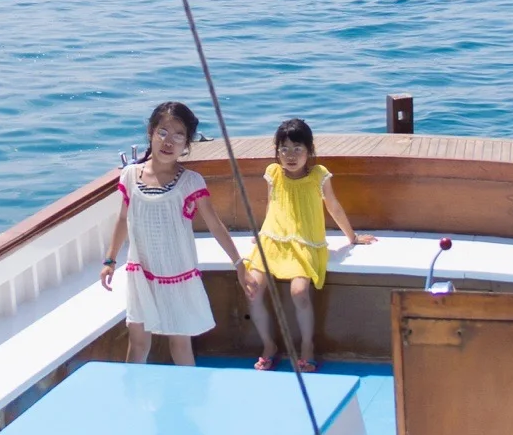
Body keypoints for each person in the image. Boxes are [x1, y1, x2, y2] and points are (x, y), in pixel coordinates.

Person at [100, 100, 247, 365]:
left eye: (179, 136)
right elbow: (123, 218)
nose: (169, 142)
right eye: (163, 132)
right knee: (138, 342)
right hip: (140, 271)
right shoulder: (130, 176)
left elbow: (215, 224)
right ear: (151, 133)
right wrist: (110, 260)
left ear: (187, 143)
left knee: (180, 344)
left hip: (177, 273)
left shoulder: (190, 181)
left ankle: (189, 391)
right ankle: (134, 390)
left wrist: (239, 263)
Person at [242, 118, 375, 372]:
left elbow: (333, 207)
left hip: (305, 242)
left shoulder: (319, 175)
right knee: (253, 289)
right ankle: (269, 345)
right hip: (272, 240)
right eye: (284, 149)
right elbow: (271, 204)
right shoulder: (273, 173)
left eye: (297, 149)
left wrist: (353, 237)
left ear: (309, 150)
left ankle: (307, 346)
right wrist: (261, 233)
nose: (290, 155)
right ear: (277, 151)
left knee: (299, 292)